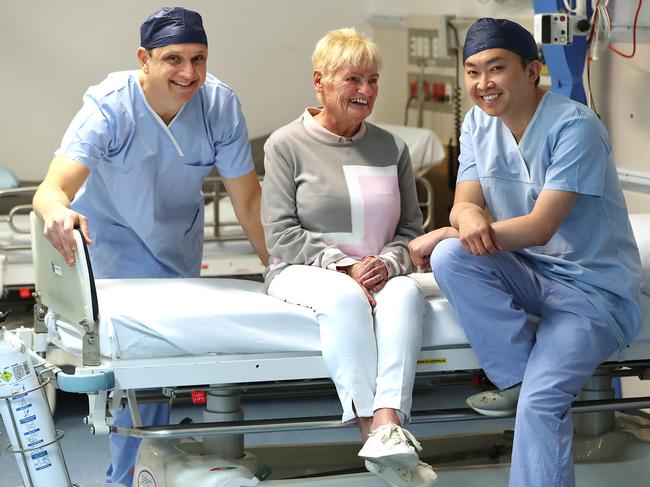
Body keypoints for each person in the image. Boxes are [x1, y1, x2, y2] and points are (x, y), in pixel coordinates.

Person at [32, 7, 268, 486]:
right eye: (173, 59)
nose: (188, 73)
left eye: (198, 58)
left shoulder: (219, 105)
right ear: (144, 59)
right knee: (136, 380)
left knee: (160, 381)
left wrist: (280, 270)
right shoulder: (109, 106)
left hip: (174, 250)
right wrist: (59, 213)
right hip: (110, 248)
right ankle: (124, 477)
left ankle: (143, 468)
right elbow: (49, 190)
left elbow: (248, 202)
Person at [408, 17, 642, 487]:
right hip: (527, 273)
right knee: (453, 258)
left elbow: (539, 228)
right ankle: (515, 376)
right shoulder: (478, 122)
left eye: (496, 69)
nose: (482, 84)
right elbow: (465, 202)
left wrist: (448, 231)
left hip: (589, 291)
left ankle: (528, 389)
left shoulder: (576, 128)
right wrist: (463, 219)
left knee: (542, 402)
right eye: (472, 72)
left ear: (533, 71)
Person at [261, 28, 436, 487]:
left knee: (404, 296)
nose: (366, 91)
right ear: (319, 81)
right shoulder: (286, 145)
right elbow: (280, 233)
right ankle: (368, 426)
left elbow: (409, 231)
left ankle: (386, 422)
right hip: (303, 270)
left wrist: (391, 263)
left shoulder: (390, 147)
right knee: (345, 299)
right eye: (353, 79)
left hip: (379, 270)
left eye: (373, 80)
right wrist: (345, 266)